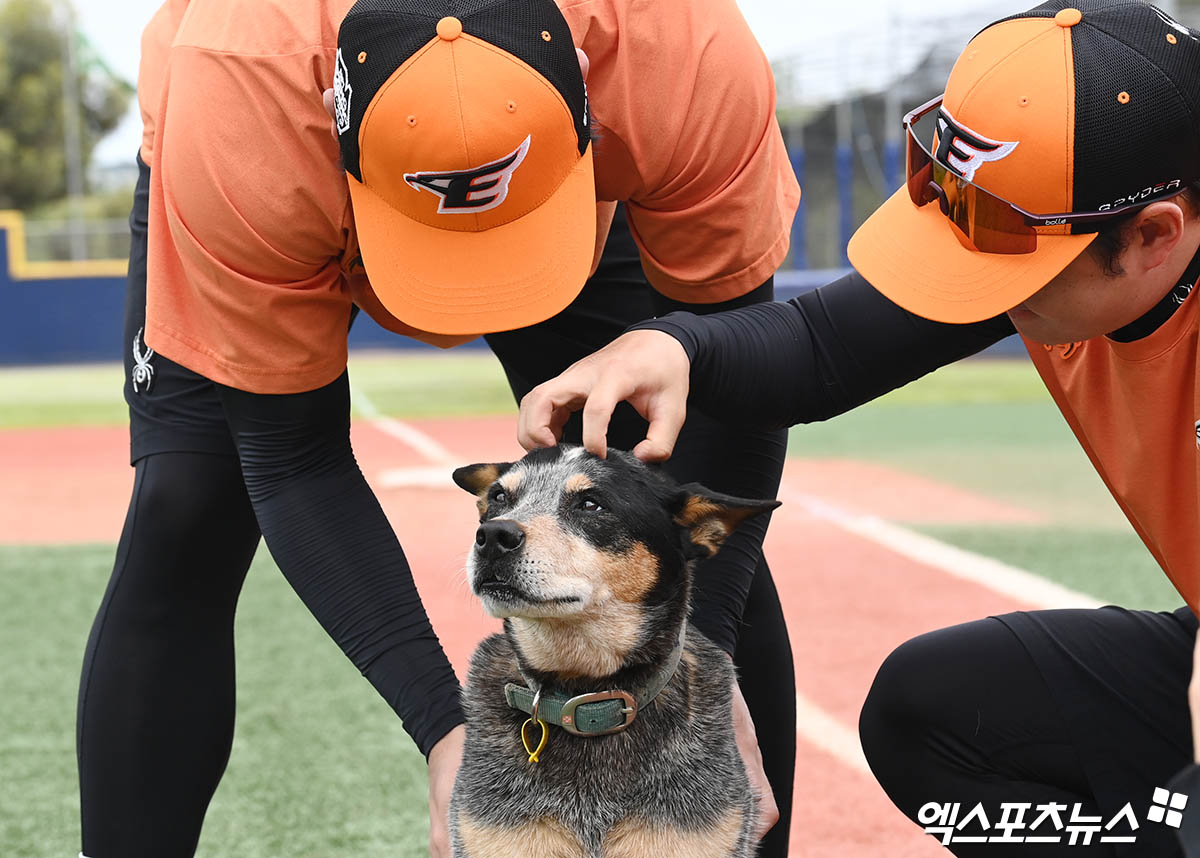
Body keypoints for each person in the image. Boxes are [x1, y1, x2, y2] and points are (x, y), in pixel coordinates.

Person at [77, 0, 801, 856]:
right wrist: (446, 730)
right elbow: (291, 455)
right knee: (189, 502)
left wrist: (699, 674)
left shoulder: (676, 50)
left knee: (646, 490)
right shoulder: (240, 86)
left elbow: (735, 395)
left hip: (585, 189)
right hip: (275, 162)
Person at [517, 0, 1200, 854]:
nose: (973, 288)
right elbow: (823, 346)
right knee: (938, 712)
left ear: (1153, 237)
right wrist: (673, 343)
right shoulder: (1080, 248)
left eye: (1007, 257)